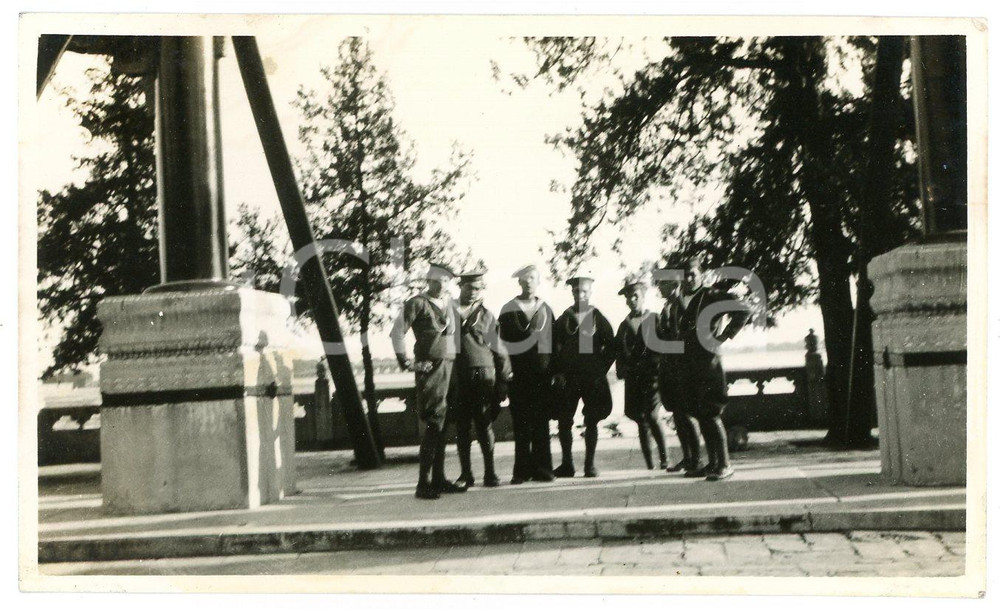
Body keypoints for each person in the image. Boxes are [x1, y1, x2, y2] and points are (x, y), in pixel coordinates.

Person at [390, 262, 466, 499]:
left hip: (450, 369)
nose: (441, 284)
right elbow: (396, 332)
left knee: (444, 425)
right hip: (430, 369)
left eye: (446, 281)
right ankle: (423, 483)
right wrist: (408, 363)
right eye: (437, 280)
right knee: (433, 424)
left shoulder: (450, 304)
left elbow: (453, 338)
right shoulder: (417, 303)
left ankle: (440, 479)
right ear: (428, 280)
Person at [670, 256, 749, 481]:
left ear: (701, 275)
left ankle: (725, 464)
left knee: (712, 413)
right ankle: (712, 463)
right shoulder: (679, 302)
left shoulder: (711, 295)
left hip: (709, 363)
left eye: (693, 274)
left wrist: (724, 336)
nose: (688, 279)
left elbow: (743, 309)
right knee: (700, 414)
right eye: (685, 275)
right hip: (689, 365)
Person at [451, 270, 512, 489]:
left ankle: (490, 473)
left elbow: (499, 349)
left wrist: (504, 378)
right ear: (461, 286)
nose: (473, 292)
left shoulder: (486, 315)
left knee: (484, 425)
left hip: (483, 376)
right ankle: (466, 474)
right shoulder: (448, 312)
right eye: (469, 288)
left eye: (477, 289)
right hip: (458, 376)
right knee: (461, 427)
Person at [552, 274, 616, 478]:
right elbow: (553, 347)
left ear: (590, 293)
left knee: (592, 419)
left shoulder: (597, 317)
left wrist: (600, 368)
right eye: (576, 291)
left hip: (592, 378)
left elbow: (612, 346)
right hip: (569, 378)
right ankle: (567, 464)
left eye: (584, 292)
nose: (580, 295)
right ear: (572, 293)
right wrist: (558, 371)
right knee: (564, 420)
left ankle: (590, 465)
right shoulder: (564, 318)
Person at [497, 264, 556, 484]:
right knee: (521, 424)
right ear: (519, 282)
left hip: (542, 375)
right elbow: (500, 343)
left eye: (533, 278)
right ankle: (521, 471)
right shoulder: (508, 309)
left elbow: (555, 342)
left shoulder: (546, 309)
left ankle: (543, 469)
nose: (529, 281)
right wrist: (504, 374)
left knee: (541, 423)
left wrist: (555, 371)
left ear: (538, 281)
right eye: (525, 278)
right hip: (518, 375)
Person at [615, 277, 668, 470]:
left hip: (653, 378)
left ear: (643, 297)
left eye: (635, 296)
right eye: (628, 297)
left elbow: (665, 345)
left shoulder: (654, 319)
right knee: (641, 420)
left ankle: (665, 459)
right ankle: (650, 465)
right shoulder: (623, 326)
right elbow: (618, 353)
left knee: (653, 416)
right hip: (633, 380)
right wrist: (621, 370)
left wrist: (660, 366)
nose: (632, 300)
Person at [654, 268, 701, 475]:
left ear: (674, 285)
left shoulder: (681, 306)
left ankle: (696, 460)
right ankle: (688, 457)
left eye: (662, 284)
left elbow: (685, 338)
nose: (659, 288)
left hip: (681, 367)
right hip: (669, 368)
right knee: (678, 415)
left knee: (687, 414)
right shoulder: (668, 307)